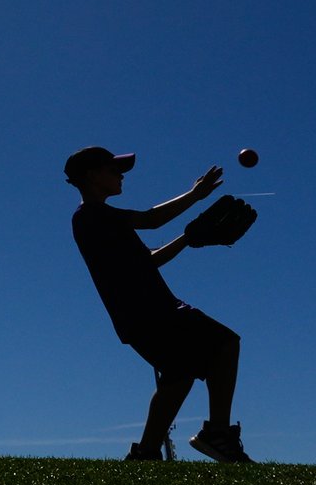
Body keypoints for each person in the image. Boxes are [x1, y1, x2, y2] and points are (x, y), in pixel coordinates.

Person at [65, 145, 252, 463]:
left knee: (179, 373)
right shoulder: (91, 215)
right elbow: (151, 220)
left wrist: (187, 238)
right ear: (92, 175)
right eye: (114, 169)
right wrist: (195, 195)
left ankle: (146, 453)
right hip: (150, 310)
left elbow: (149, 260)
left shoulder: (102, 221)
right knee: (224, 343)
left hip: (141, 313)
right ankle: (217, 433)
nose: (121, 174)